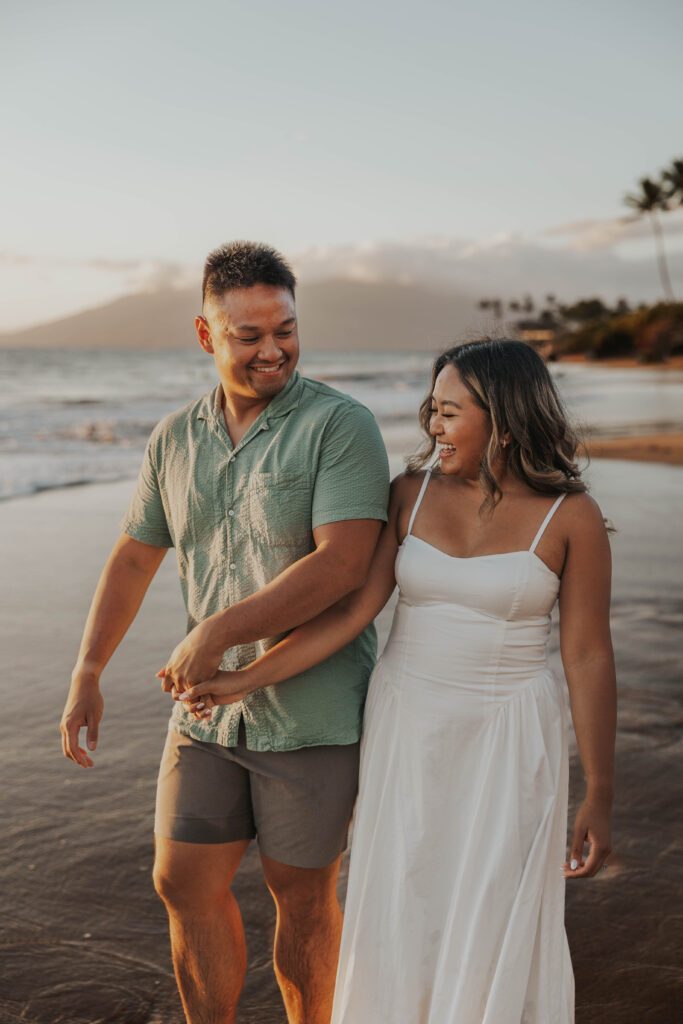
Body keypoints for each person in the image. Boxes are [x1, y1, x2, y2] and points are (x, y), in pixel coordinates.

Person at [176, 339, 617, 1023]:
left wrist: (598, 791)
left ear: (502, 416)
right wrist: (246, 678)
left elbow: (587, 655)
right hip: (407, 721)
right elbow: (353, 611)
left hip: (509, 732)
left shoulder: (572, 517)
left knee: (492, 900)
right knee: (404, 890)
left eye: (448, 412)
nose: (431, 427)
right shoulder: (408, 494)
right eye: (429, 411)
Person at [60, 241, 390, 1024]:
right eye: (249, 335)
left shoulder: (340, 426)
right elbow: (135, 556)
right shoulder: (172, 437)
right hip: (205, 713)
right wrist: (87, 669)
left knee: (302, 897)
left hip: (313, 713)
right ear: (207, 336)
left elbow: (342, 565)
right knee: (180, 882)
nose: (273, 348)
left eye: (285, 328)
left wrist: (216, 630)